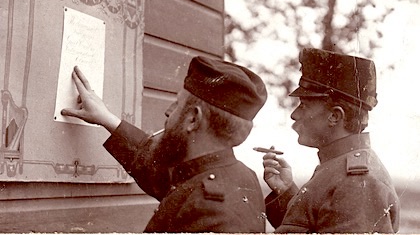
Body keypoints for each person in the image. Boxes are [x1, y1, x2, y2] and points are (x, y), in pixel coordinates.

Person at [61, 56, 268, 233]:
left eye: (177, 104)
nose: (168, 111)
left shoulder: (209, 207)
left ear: (193, 119)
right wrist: (107, 119)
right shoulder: (240, 176)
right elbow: (157, 170)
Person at [262, 48, 400, 233]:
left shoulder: (357, 183)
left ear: (335, 116)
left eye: (304, 105)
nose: (295, 115)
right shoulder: (340, 168)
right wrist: (286, 193)